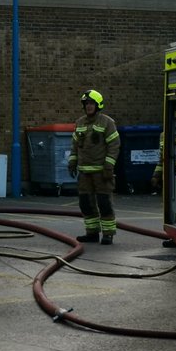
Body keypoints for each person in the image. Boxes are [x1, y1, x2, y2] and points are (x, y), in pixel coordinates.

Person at [67, 89, 121, 245]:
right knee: (85, 203)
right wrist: (72, 162)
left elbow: (114, 145)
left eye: (92, 103)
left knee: (104, 203)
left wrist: (109, 166)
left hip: (101, 172)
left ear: (98, 105)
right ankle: (91, 233)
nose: (89, 106)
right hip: (84, 172)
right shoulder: (80, 123)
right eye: (87, 104)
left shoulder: (107, 123)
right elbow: (75, 145)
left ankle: (108, 234)